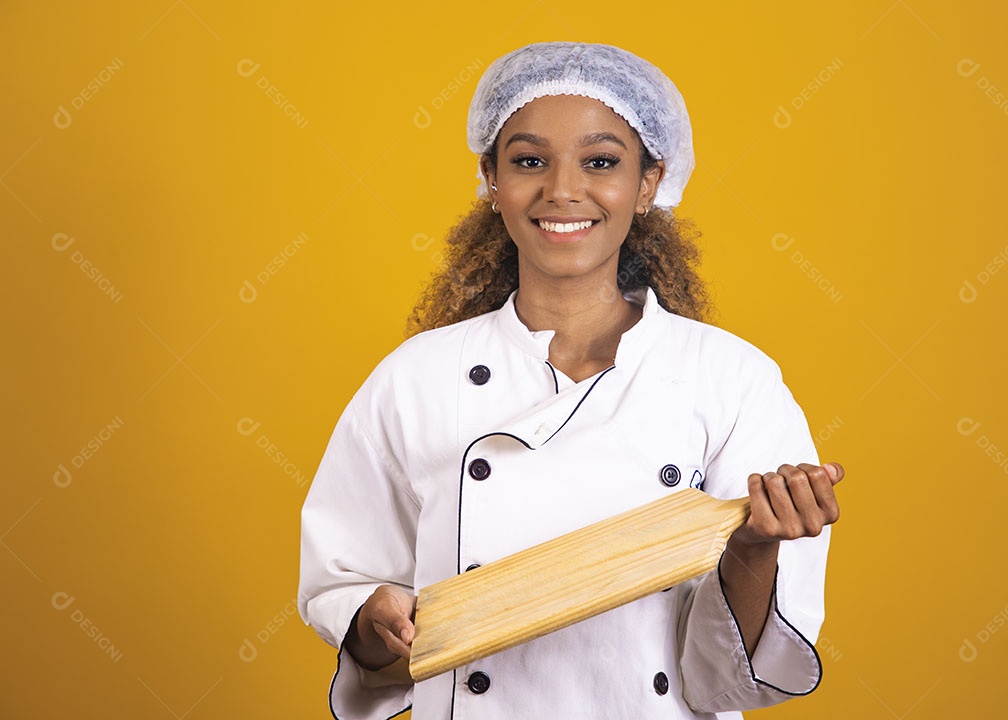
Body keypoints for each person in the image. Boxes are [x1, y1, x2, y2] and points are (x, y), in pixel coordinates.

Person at [298, 41, 843, 720]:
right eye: (529, 161)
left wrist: (755, 545)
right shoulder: (415, 379)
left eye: (601, 162)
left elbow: (731, 681)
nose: (562, 190)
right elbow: (348, 591)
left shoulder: (732, 379)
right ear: (491, 179)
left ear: (649, 183)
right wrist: (372, 622)